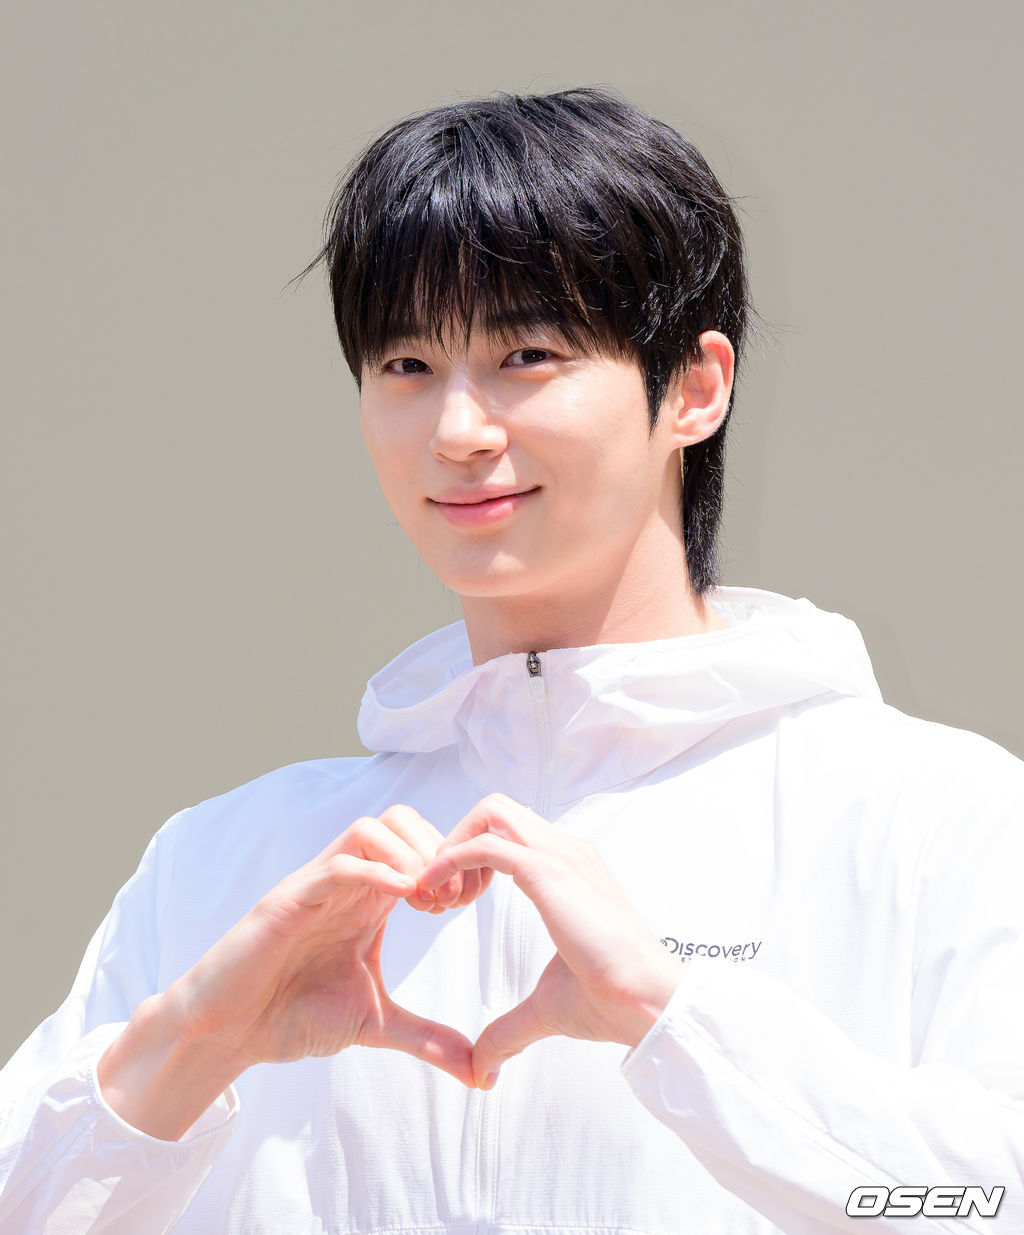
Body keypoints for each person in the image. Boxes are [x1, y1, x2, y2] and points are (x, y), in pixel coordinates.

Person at [1, 84, 1021, 1235]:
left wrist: (677, 1017)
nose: (457, 431)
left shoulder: (935, 817)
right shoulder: (225, 861)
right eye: (404, 364)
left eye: (525, 354)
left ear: (694, 387)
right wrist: (191, 1042)